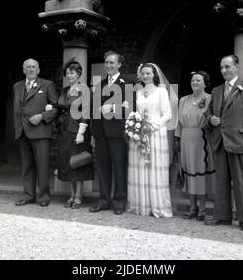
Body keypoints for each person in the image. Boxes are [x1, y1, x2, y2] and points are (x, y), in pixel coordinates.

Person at [205, 55, 243, 232]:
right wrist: (210, 119)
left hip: (238, 142)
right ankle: (222, 216)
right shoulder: (216, 90)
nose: (224, 71)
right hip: (220, 142)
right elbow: (208, 112)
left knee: (239, 181)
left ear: (236, 67)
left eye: (227, 67)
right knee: (221, 180)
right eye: (222, 67)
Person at [127, 63, 173, 217]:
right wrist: (136, 124)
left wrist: (152, 126)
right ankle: (142, 205)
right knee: (141, 167)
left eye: (148, 73)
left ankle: (158, 205)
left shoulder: (162, 91)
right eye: (143, 74)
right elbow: (137, 112)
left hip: (155, 133)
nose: (145, 76)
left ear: (154, 74)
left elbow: (167, 114)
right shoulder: (139, 92)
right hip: (140, 134)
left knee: (154, 167)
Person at [90, 51, 132, 215]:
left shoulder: (127, 83)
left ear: (119, 64)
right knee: (102, 167)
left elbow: (130, 107)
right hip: (100, 133)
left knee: (120, 167)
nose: (108, 66)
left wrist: (113, 108)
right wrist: (94, 133)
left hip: (117, 133)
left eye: (112, 63)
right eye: (106, 63)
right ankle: (104, 200)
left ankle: (119, 202)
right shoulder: (99, 85)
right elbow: (94, 110)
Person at [14, 58, 58, 207]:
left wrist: (42, 116)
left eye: (34, 67)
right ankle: (28, 195)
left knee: (42, 166)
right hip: (22, 132)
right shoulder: (17, 86)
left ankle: (44, 196)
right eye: (28, 67)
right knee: (27, 166)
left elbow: (55, 107)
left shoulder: (47, 85)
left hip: (40, 132)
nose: (31, 69)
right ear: (23, 70)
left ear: (38, 70)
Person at [175, 71, 215, 221]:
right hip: (186, 139)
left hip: (201, 140)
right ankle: (192, 208)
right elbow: (179, 122)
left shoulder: (210, 99)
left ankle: (203, 209)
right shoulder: (183, 100)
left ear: (205, 83)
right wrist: (177, 139)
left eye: (198, 81)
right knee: (188, 172)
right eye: (193, 80)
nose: (195, 83)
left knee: (200, 174)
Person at [56, 60, 93, 209]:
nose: (69, 75)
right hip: (65, 130)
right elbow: (60, 107)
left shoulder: (84, 90)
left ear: (79, 74)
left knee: (78, 163)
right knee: (68, 163)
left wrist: (81, 132)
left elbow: (86, 111)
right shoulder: (64, 90)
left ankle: (79, 196)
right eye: (68, 72)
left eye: (73, 72)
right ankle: (71, 195)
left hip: (78, 130)